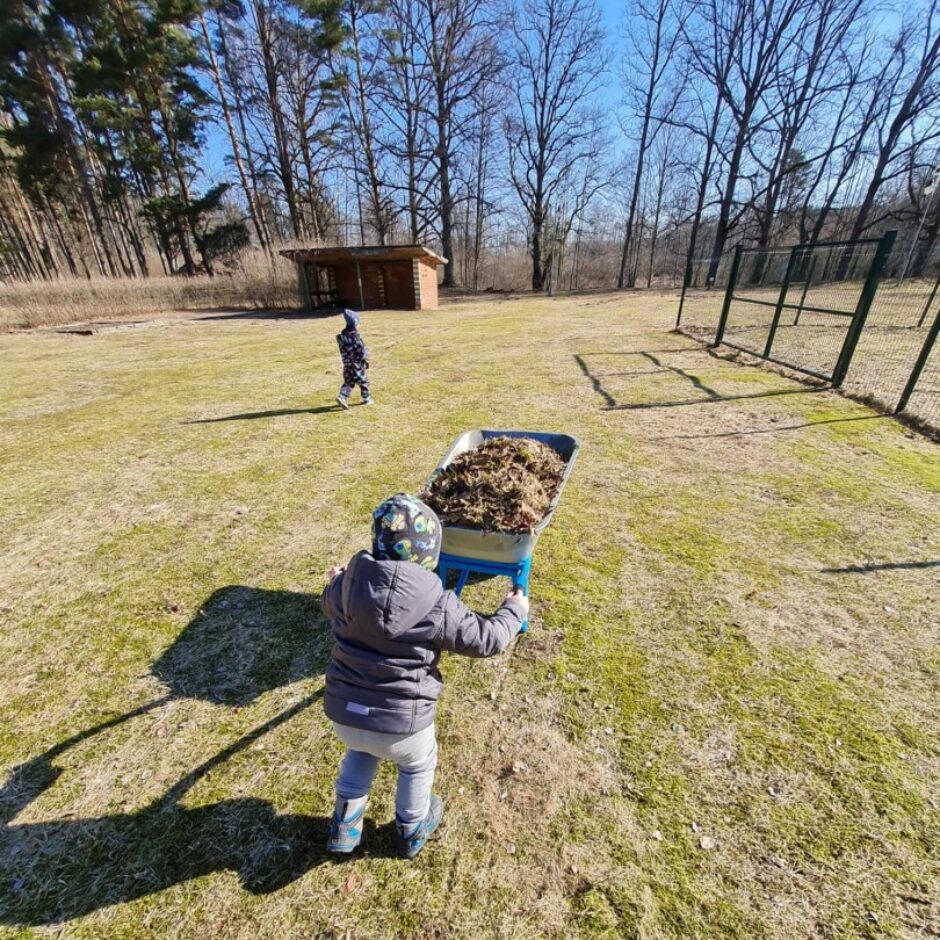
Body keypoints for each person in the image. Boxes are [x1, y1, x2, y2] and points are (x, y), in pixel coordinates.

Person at [319, 493, 529, 859]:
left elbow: (328, 601)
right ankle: (412, 827)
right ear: (431, 554)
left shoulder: (347, 587)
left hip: (345, 715)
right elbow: (487, 639)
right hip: (404, 724)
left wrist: (338, 580)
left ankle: (345, 825)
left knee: (361, 748)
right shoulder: (438, 605)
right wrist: (514, 610)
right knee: (418, 763)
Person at [335, 308, 372, 408]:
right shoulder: (355, 336)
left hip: (347, 365)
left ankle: (342, 397)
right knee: (363, 381)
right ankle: (367, 398)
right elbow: (361, 350)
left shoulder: (342, 336)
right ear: (355, 324)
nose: (359, 325)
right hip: (356, 365)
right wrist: (365, 358)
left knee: (349, 381)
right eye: (358, 323)